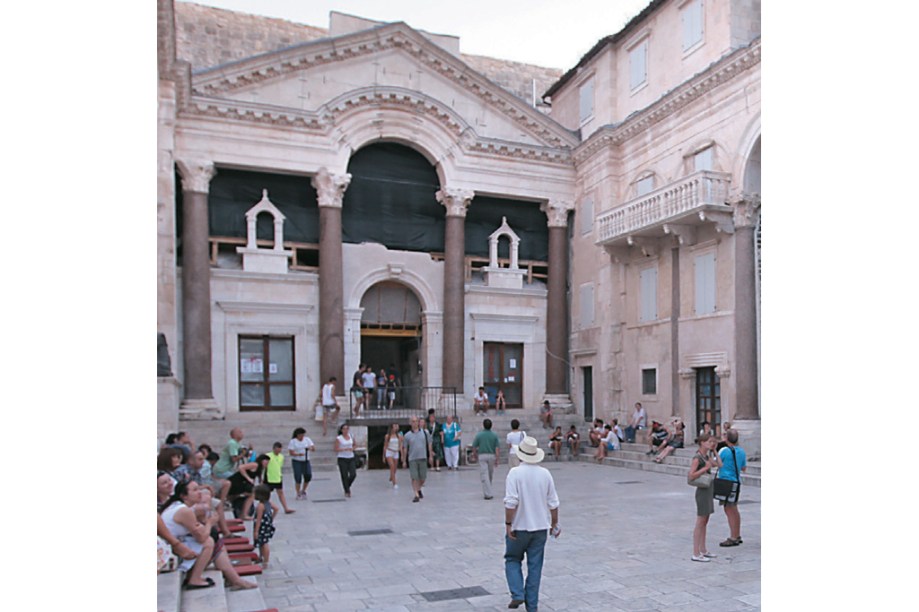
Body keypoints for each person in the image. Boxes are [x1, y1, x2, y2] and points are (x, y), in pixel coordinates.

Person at [159, 480, 258, 590]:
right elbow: (201, 537)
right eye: (195, 490)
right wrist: (210, 522)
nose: (200, 493)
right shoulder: (184, 511)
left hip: (175, 545)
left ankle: (234, 579)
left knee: (214, 539)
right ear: (184, 496)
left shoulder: (181, 507)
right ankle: (195, 579)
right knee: (208, 542)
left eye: (199, 489)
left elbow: (201, 529)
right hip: (170, 550)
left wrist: (207, 523)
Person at [503, 436, 560, 611]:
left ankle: (517, 593)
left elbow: (510, 502)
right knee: (535, 567)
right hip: (540, 528)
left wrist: (508, 524)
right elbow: (553, 503)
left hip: (520, 527)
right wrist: (554, 524)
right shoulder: (545, 474)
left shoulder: (514, 473)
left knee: (512, 559)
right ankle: (532, 606)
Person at [689, 433, 721, 562]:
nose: (711, 443)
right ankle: (695, 552)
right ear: (702, 442)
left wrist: (715, 451)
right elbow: (691, 475)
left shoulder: (706, 456)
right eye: (709, 442)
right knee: (700, 521)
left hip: (708, 489)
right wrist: (705, 469)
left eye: (712, 442)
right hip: (702, 491)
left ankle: (703, 549)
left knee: (705, 521)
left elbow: (719, 464)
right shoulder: (697, 458)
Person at [717, 428, 747, 547]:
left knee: (728, 509)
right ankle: (737, 534)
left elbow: (717, 463)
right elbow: (743, 468)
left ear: (726, 438)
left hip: (725, 482)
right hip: (736, 481)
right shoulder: (741, 451)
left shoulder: (724, 450)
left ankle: (733, 536)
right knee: (734, 508)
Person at [403, 416, 433, 502]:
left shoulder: (425, 433)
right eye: (413, 421)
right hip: (412, 458)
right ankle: (416, 494)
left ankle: (418, 488)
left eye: (416, 421)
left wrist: (430, 456)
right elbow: (405, 448)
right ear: (410, 423)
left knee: (422, 478)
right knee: (414, 477)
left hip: (423, 457)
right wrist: (404, 460)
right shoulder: (407, 435)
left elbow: (429, 444)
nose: (414, 423)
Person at [471, 418, 500, 499]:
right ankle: (488, 490)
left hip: (482, 455)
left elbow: (474, 446)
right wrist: (497, 458)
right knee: (490, 474)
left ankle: (488, 492)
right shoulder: (494, 435)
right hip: (491, 455)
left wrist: (475, 454)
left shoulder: (479, 435)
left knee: (484, 474)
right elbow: (497, 448)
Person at [252, 484, 278, 567]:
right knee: (262, 542)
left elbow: (258, 519)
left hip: (261, 526)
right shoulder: (268, 503)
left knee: (264, 543)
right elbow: (276, 508)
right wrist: (271, 518)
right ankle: (261, 557)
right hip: (267, 525)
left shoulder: (260, 506)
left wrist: (256, 531)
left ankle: (265, 560)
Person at [266, 442, 295, 514]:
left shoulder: (281, 456)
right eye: (277, 449)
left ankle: (286, 508)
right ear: (274, 449)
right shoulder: (268, 456)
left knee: (281, 493)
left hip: (278, 477)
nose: (278, 451)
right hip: (269, 477)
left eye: (280, 449)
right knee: (267, 494)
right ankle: (266, 509)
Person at [288, 427, 316, 500]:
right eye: (300, 435)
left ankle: (303, 490)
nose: (302, 436)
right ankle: (298, 492)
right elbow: (291, 452)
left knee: (308, 475)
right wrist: (298, 454)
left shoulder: (307, 440)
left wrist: (310, 448)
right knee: (298, 477)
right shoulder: (293, 441)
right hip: (297, 461)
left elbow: (313, 448)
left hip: (306, 460)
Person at [335, 424, 357, 498]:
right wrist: (343, 449)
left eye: (347, 429)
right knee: (344, 475)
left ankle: (347, 485)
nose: (345, 430)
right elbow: (336, 448)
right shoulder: (339, 438)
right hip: (342, 458)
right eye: (344, 429)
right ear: (341, 430)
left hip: (351, 457)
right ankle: (347, 490)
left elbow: (355, 445)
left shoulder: (351, 436)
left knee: (353, 474)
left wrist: (353, 448)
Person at [383, 422, 404, 489]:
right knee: (392, 466)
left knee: (395, 468)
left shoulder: (399, 436)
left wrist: (402, 455)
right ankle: (395, 483)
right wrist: (383, 456)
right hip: (389, 451)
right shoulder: (387, 436)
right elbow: (385, 446)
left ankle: (391, 475)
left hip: (396, 452)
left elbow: (400, 446)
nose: (396, 428)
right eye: (394, 426)